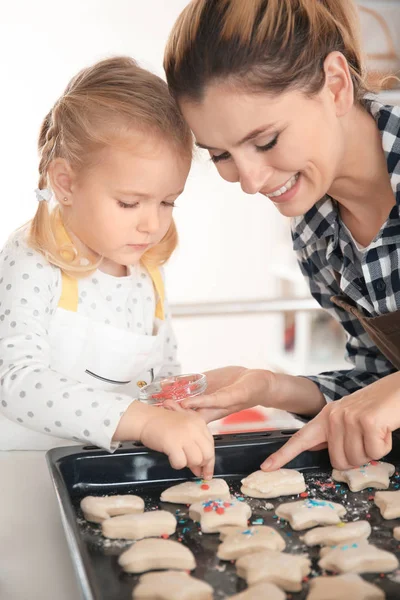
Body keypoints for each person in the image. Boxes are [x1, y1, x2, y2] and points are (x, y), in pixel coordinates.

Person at [163, 0, 400, 471]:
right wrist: (270, 386)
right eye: (221, 155)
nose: (250, 181)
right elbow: (377, 386)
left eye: (266, 141)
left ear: (335, 86)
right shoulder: (315, 234)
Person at [0, 56, 215, 479]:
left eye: (168, 202)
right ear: (66, 183)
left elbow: (164, 372)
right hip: (23, 477)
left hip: (111, 472)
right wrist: (144, 421)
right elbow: (16, 382)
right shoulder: (32, 260)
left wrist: (180, 406)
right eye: (130, 203)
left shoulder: (146, 268)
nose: (152, 224)